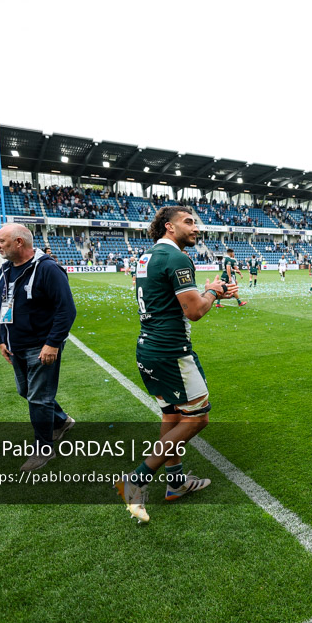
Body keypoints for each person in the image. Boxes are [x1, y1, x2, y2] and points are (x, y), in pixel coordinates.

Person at [116, 206, 239, 523]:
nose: (196, 227)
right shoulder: (176, 258)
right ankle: (136, 480)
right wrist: (212, 290)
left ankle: (176, 482)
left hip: (149, 350)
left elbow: (177, 301)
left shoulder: (148, 257)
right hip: (172, 353)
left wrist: (213, 293)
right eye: (189, 222)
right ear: (169, 227)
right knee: (198, 420)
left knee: (171, 415)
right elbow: (194, 311)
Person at [0, 223, 77, 472]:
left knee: (39, 398)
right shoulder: (5, 271)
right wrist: (0, 338)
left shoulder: (48, 269)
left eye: (1, 241)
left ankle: (43, 449)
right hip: (15, 345)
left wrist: (52, 343)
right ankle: (61, 421)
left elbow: (66, 310)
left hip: (40, 347)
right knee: (26, 392)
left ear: (19, 242)